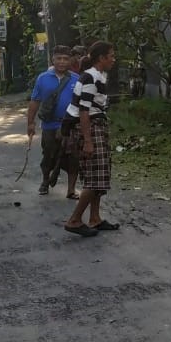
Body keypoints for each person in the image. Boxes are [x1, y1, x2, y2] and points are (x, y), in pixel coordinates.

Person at [63, 41, 120, 236]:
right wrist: (88, 141)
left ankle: (95, 218)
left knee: (100, 176)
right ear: (101, 58)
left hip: (96, 126)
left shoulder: (99, 76)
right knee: (95, 178)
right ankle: (75, 220)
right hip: (89, 128)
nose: (114, 59)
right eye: (111, 55)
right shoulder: (89, 78)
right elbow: (83, 111)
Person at [26, 45, 80, 197]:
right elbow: (35, 101)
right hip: (50, 125)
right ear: (53, 59)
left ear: (70, 61)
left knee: (73, 157)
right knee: (48, 154)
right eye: (59, 59)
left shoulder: (76, 79)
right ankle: (45, 182)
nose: (62, 62)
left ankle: (71, 189)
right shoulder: (43, 79)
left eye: (65, 59)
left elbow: (81, 105)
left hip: (70, 125)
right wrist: (30, 122)